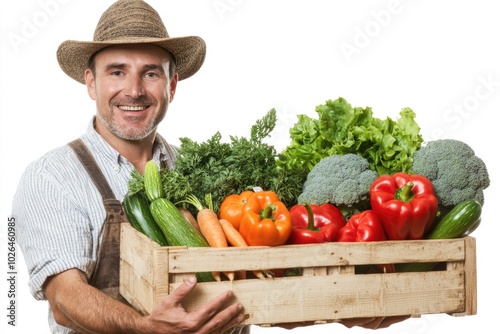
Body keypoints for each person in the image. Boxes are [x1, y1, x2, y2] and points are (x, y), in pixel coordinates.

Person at [12, 0, 247, 333]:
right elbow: (65, 299)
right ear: (91, 82)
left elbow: (249, 278)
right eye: (117, 71)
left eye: (151, 73)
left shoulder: (200, 170)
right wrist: (145, 328)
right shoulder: (53, 177)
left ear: (172, 85)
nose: (134, 91)